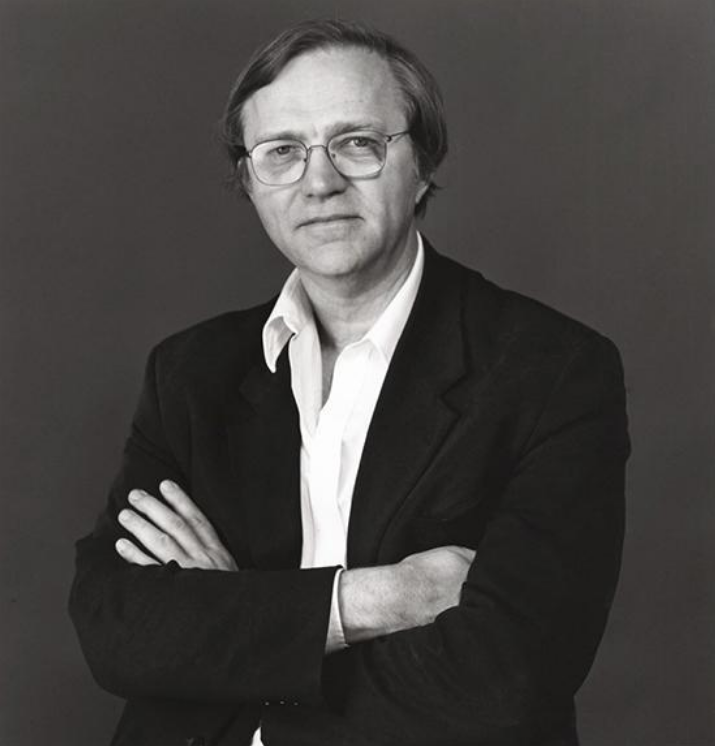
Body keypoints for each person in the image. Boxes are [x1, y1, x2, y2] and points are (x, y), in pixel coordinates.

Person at [69, 19, 630, 746]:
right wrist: (378, 599)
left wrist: (238, 629)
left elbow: (504, 677)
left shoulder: (552, 370)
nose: (319, 182)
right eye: (281, 152)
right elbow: (117, 628)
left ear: (422, 163)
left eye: (357, 143)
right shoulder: (190, 372)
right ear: (249, 180)